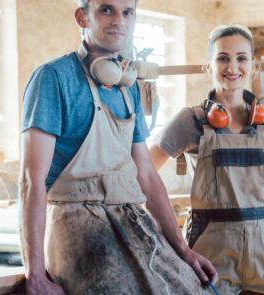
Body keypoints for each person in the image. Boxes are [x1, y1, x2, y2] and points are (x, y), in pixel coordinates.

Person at [18, 0, 217, 294]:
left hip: (130, 219)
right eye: (106, 10)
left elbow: (146, 175)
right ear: (81, 17)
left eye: (128, 12)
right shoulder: (53, 78)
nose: (119, 21)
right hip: (77, 224)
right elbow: (30, 181)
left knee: (193, 287)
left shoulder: (129, 86)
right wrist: (34, 275)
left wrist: (183, 251)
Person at [149, 24, 264, 294]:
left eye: (241, 58)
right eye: (223, 58)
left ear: (253, 65)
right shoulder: (191, 120)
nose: (232, 67)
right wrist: (173, 243)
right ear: (208, 65)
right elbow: (144, 174)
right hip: (210, 254)